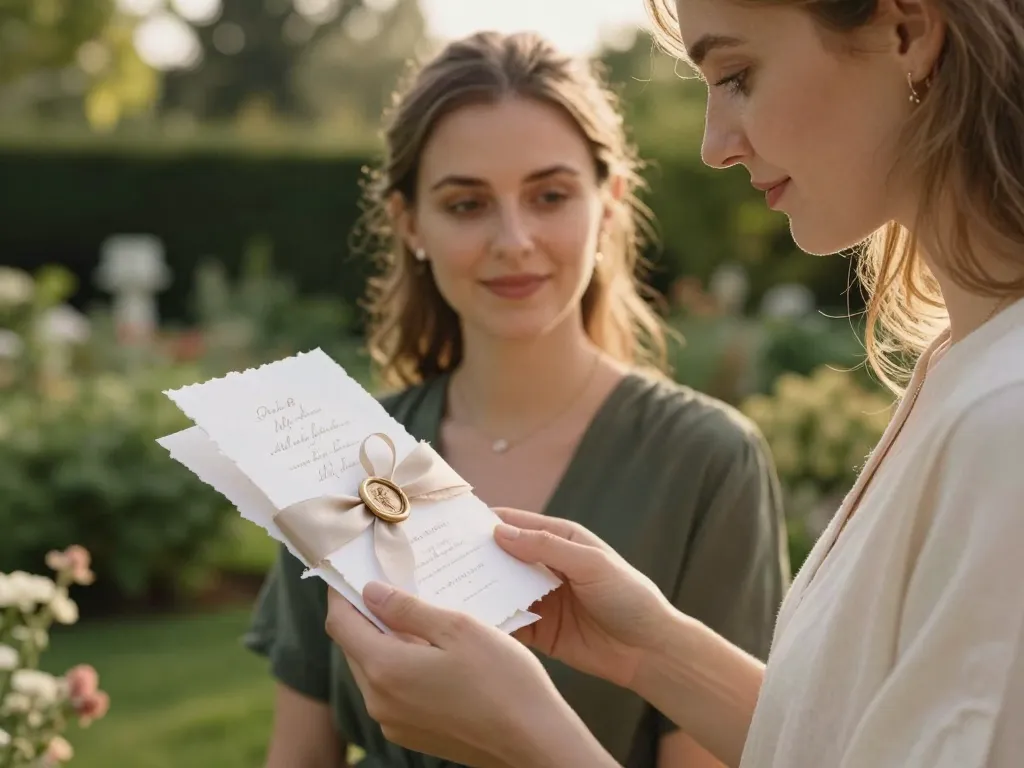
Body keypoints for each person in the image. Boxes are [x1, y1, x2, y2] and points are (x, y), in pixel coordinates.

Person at [323, 0, 1024, 766]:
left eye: (737, 75)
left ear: (907, 32)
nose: (713, 145)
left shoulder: (1006, 422)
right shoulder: (961, 364)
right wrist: (650, 652)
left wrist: (531, 740)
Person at [244, 29, 791, 768]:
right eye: (467, 204)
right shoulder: (339, 455)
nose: (514, 238)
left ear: (610, 204)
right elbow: (298, 754)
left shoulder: (708, 462)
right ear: (411, 224)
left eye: (551, 195)